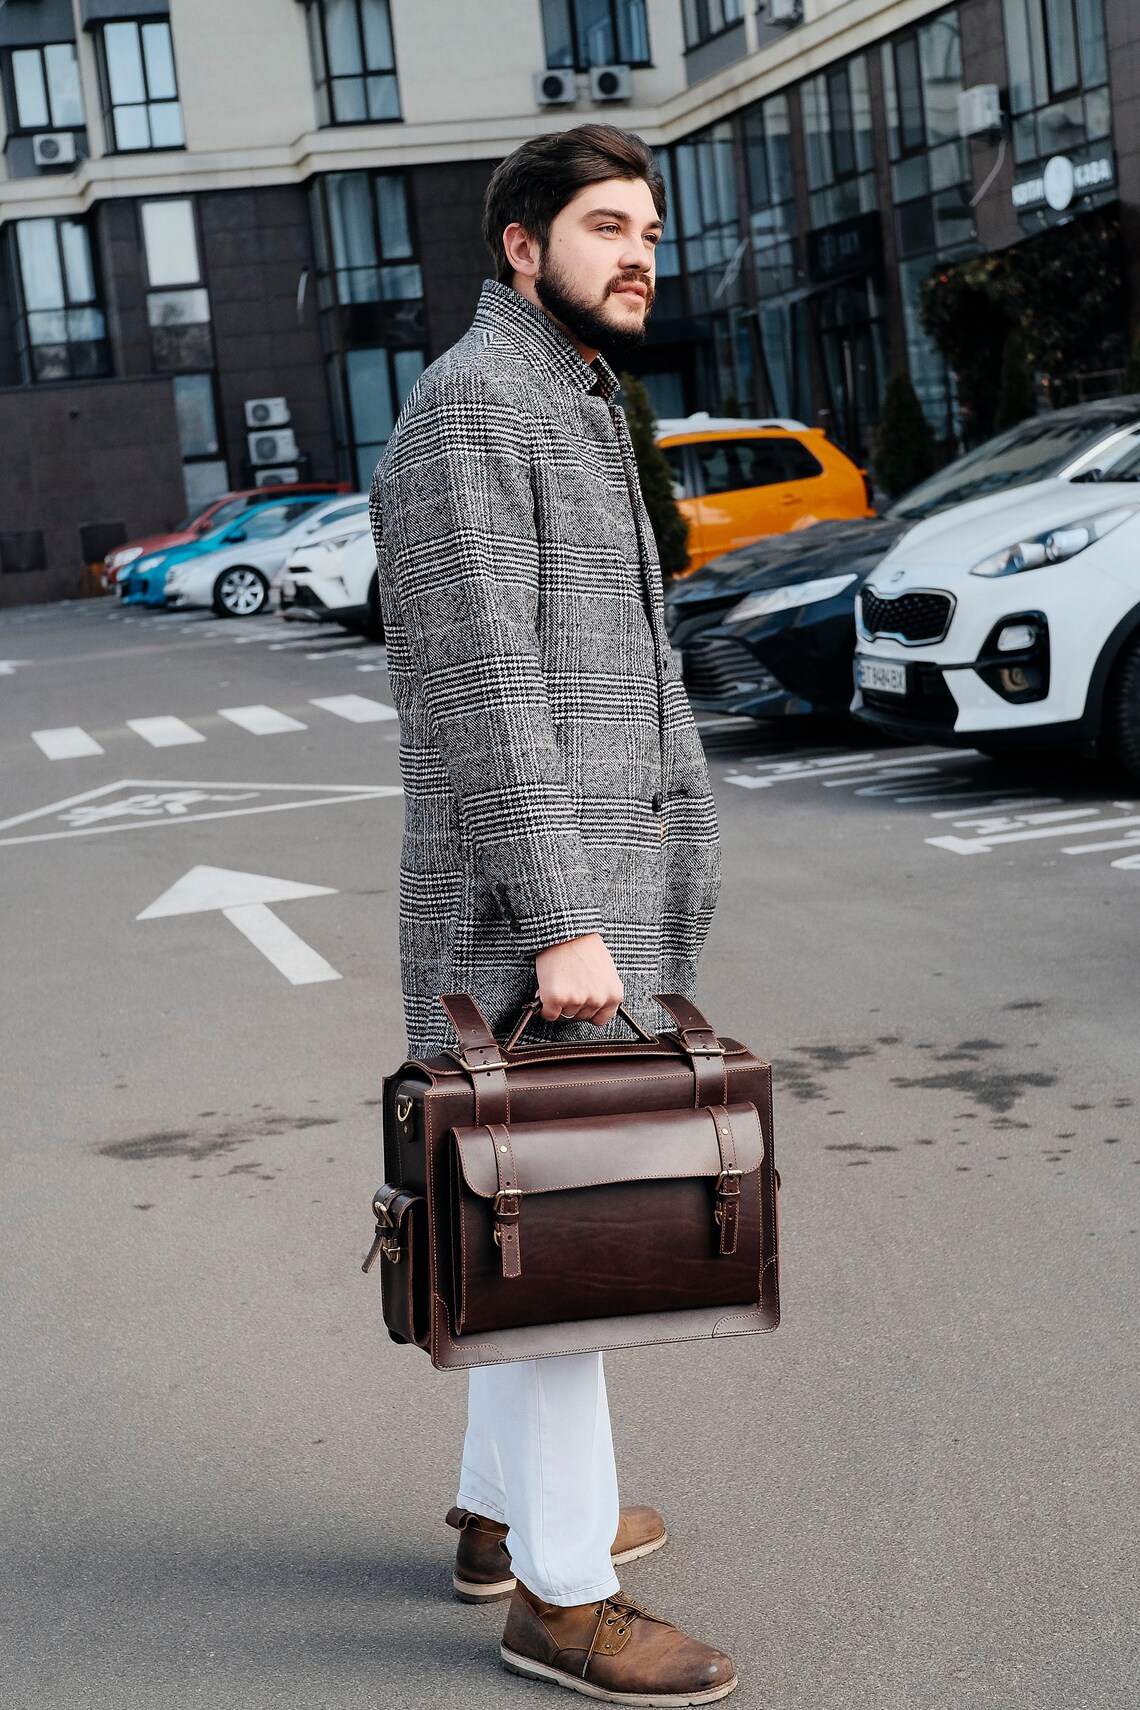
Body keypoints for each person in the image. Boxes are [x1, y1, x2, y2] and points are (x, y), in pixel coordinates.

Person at [371, 123, 734, 1704]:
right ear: (521, 247)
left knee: (527, 1212)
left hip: (584, 900)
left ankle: (499, 1513)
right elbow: (487, 694)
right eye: (605, 223)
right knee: (557, 1230)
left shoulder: (570, 395)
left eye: (649, 224)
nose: (639, 248)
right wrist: (565, 916)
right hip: (532, 913)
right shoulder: (475, 410)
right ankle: (562, 1591)